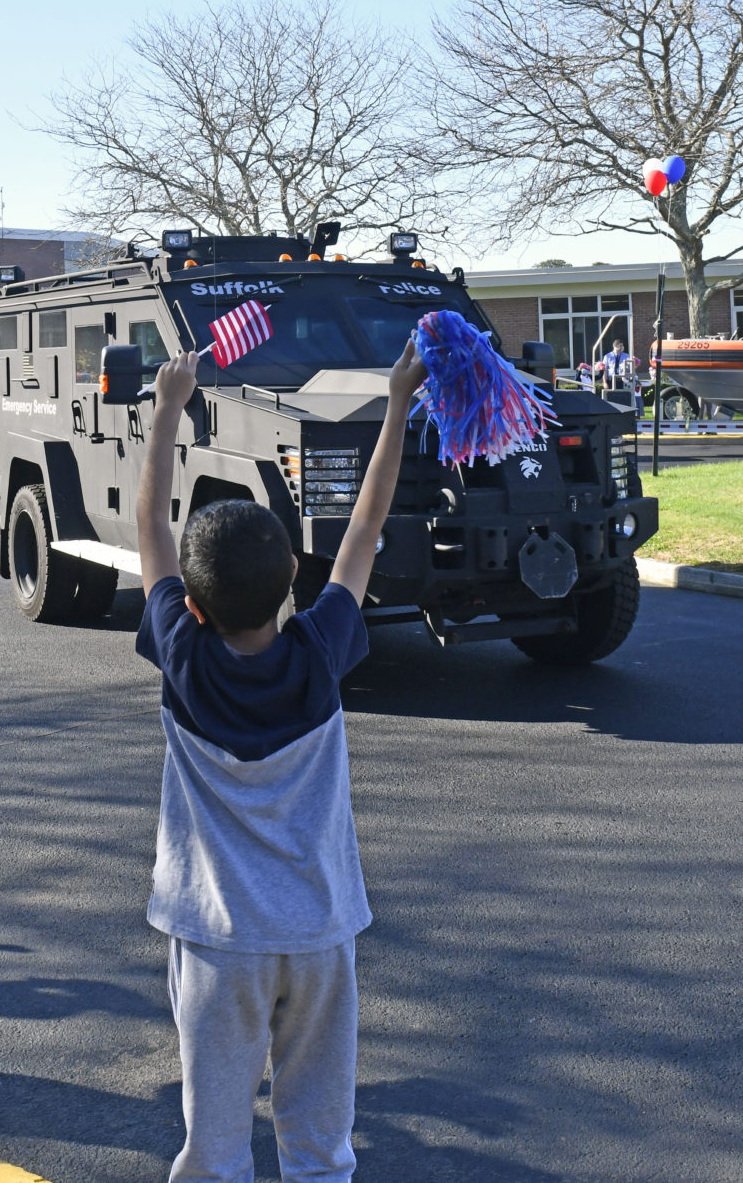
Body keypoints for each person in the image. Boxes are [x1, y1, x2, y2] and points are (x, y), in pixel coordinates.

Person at [134, 336, 424, 1181]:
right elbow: (365, 528)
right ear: (293, 578)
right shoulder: (319, 654)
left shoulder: (183, 658)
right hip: (322, 931)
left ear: (188, 603)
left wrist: (166, 409)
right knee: (321, 1146)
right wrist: (398, 401)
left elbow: (152, 524)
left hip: (219, 942)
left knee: (215, 1147)